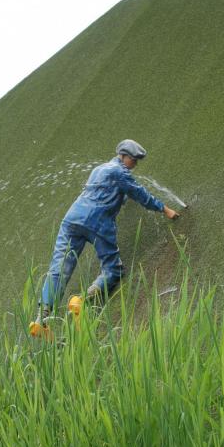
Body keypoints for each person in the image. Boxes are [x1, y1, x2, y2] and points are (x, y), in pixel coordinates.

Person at [34, 139, 180, 327]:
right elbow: (140, 194)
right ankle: (81, 300)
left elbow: (110, 192)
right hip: (98, 222)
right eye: (133, 160)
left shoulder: (99, 169)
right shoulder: (120, 172)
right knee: (113, 269)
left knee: (60, 268)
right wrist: (165, 209)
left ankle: (41, 318)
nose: (134, 165)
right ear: (123, 156)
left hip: (71, 220)